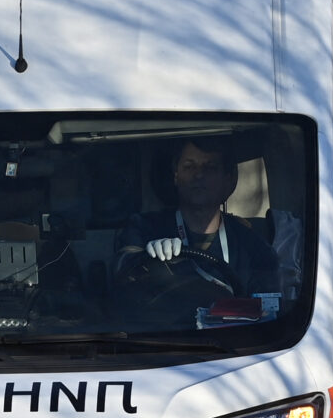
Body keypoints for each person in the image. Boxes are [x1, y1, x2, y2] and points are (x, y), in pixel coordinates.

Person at [115, 135, 305, 314]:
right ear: (175, 176)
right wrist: (145, 258)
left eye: (210, 167)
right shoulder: (143, 227)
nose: (198, 175)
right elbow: (122, 271)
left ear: (228, 180)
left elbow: (268, 312)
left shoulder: (252, 247)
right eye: (189, 166)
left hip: (234, 346)